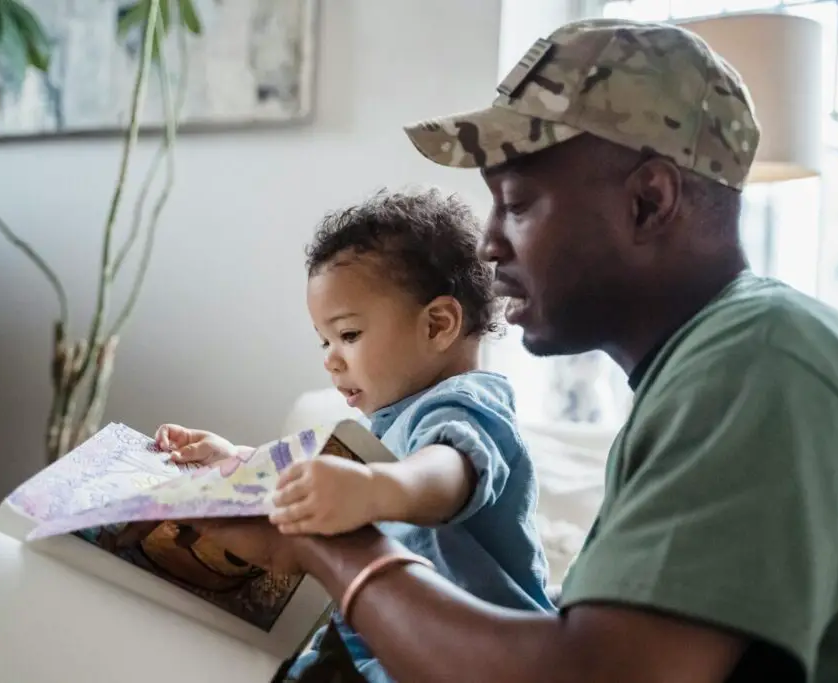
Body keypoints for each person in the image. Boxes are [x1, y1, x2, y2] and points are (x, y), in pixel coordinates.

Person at [184, 17, 838, 683]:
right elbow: (603, 627)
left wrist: (333, 548)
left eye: (519, 204)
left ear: (649, 201)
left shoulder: (759, 363)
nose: (490, 242)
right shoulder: (716, 361)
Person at [157, 188, 554, 682]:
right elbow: (319, 472)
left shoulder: (467, 404)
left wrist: (374, 491)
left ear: (438, 325)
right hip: (385, 649)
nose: (330, 358)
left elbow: (448, 473)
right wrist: (235, 461)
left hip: (477, 659)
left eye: (348, 335)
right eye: (324, 340)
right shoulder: (388, 424)